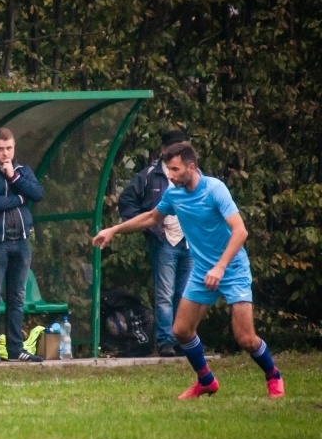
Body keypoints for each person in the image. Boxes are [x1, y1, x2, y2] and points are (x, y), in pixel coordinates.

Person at [92, 141, 284, 399]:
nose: (169, 175)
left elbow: (240, 231)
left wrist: (220, 266)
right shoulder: (174, 194)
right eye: (168, 169)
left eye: (174, 169)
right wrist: (113, 230)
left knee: (245, 338)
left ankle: (273, 375)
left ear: (191, 167)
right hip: (202, 271)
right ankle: (205, 380)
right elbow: (151, 217)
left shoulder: (215, 189)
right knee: (181, 330)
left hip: (232, 268)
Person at [117, 129, 194, 357]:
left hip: (189, 241)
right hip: (164, 241)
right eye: (174, 148)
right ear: (163, 150)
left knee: (186, 293)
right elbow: (127, 201)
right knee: (164, 294)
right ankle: (166, 341)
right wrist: (150, 228)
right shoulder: (149, 175)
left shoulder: (193, 174)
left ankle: (184, 339)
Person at [0, 127, 45, 363]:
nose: (5, 153)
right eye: (0, 149)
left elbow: (37, 193)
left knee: (17, 297)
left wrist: (14, 177)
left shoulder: (23, 171)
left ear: (14, 148)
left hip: (21, 241)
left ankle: (16, 348)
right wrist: (20, 199)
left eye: (9, 148)